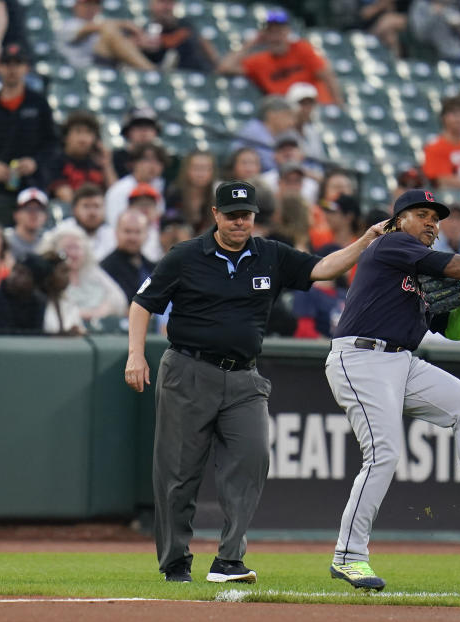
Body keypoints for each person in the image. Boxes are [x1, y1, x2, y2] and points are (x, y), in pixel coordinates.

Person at [124, 180, 387, 583]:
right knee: (178, 475)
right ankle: (176, 561)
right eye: (231, 215)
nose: (239, 222)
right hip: (188, 371)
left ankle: (229, 559)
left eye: (246, 215)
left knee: (253, 458)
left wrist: (365, 241)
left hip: (245, 376)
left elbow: (322, 268)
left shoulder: (270, 254)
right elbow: (143, 303)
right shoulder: (187, 256)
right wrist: (135, 354)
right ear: (215, 215)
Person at [325, 189, 460, 591]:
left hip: (401, 361)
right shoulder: (392, 243)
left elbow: (453, 332)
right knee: (383, 453)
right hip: (362, 358)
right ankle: (348, 556)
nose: (432, 224)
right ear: (400, 220)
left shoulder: (420, 274)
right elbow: (451, 264)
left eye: (435, 219)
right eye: (422, 215)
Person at [0, 44, 58, 226]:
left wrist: (35, 162)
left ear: (26, 68)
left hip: (33, 183)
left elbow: (52, 141)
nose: (12, 69)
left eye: (17, 64)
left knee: (35, 232)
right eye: (7, 64)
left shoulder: (38, 103)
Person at [219, 9, 342, 104]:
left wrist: (339, 104)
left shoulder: (302, 49)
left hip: (316, 106)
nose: (275, 37)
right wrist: (251, 43)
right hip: (287, 115)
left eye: (279, 31)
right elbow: (225, 68)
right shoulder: (259, 61)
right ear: (264, 35)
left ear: (287, 32)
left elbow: (327, 75)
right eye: (271, 32)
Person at [37, 224, 128, 323]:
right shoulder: (49, 277)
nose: (73, 253)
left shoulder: (93, 271)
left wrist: (100, 311)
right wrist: (79, 314)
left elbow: (119, 299)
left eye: (77, 248)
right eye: (68, 247)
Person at [56, 0, 156, 71]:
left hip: (106, 67)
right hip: (79, 72)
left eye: (95, 4)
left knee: (122, 39)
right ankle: (151, 70)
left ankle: (152, 67)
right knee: (110, 30)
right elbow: (89, 29)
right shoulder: (69, 25)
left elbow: (113, 43)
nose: (90, 8)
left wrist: (135, 42)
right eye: (86, 4)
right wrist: (125, 24)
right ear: (76, 6)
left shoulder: (99, 26)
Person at [47, 110, 116, 204]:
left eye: (88, 133)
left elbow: (116, 195)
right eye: (78, 131)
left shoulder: (98, 163)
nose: (83, 139)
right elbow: (66, 196)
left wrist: (107, 165)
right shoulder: (55, 162)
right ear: (66, 136)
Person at [0, 253, 46, 334]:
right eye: (14, 270)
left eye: (22, 273)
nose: (14, 276)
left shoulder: (38, 303)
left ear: (34, 282)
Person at [137, 0, 219, 73]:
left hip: (197, 73)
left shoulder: (186, 25)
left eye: (170, 2)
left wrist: (217, 67)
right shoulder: (143, 33)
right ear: (151, 5)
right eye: (161, 2)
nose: (166, 7)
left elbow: (208, 49)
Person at [105, 141, 167, 228]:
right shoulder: (119, 190)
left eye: (158, 161)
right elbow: (114, 224)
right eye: (147, 160)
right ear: (134, 163)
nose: (153, 166)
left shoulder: (158, 188)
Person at [100, 209, 155, 301]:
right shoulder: (105, 269)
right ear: (116, 232)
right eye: (127, 231)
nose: (132, 237)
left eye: (138, 232)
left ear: (146, 234)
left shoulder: (153, 268)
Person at [231, 97, 296, 172]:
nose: (292, 122)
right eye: (288, 115)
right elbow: (268, 166)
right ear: (272, 114)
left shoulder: (284, 133)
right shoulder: (254, 130)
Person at [57, 183, 115, 261]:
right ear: (74, 209)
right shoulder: (62, 232)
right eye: (86, 206)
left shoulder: (112, 235)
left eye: (96, 206)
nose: (92, 212)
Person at [165, 150, 216, 233]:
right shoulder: (174, 195)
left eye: (206, 168)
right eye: (196, 168)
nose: (201, 173)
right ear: (186, 170)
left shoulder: (219, 198)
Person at [40, 250, 84, 335]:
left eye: (68, 271)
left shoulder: (68, 300)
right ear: (49, 274)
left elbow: (79, 330)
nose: (67, 276)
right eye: (63, 271)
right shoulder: (38, 303)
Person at [112, 106, 161, 179]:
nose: (144, 132)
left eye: (149, 127)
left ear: (155, 133)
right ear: (127, 132)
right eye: (138, 126)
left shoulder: (163, 159)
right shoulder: (115, 158)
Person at [4, 188, 49, 261]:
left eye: (39, 209)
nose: (34, 214)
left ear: (46, 216)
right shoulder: (5, 240)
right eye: (28, 208)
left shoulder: (49, 243)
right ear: (16, 214)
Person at [286, 82, 326, 165]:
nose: (307, 109)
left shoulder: (312, 130)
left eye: (310, 104)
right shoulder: (284, 132)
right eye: (303, 104)